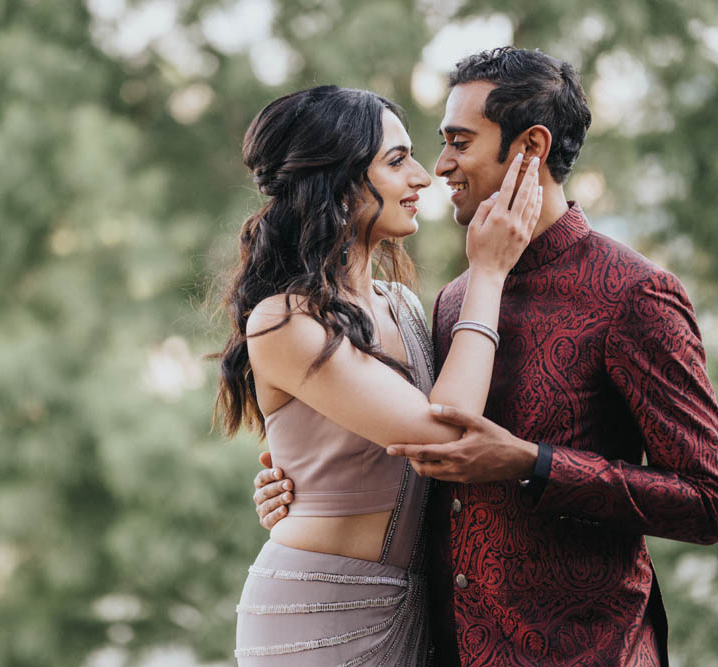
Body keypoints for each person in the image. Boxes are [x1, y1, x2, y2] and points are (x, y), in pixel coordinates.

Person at [253, 48, 718, 666]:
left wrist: (533, 465)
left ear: (530, 148)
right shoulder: (455, 300)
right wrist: (293, 476)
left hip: (584, 652)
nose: (440, 167)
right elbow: (401, 434)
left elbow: (707, 501)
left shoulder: (632, 294)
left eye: (458, 142)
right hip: (433, 645)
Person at [215, 84, 543, 665]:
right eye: (397, 161)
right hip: (316, 614)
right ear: (338, 184)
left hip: (410, 606)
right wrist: (487, 273)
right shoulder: (285, 320)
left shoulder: (404, 306)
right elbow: (445, 439)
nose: (422, 176)